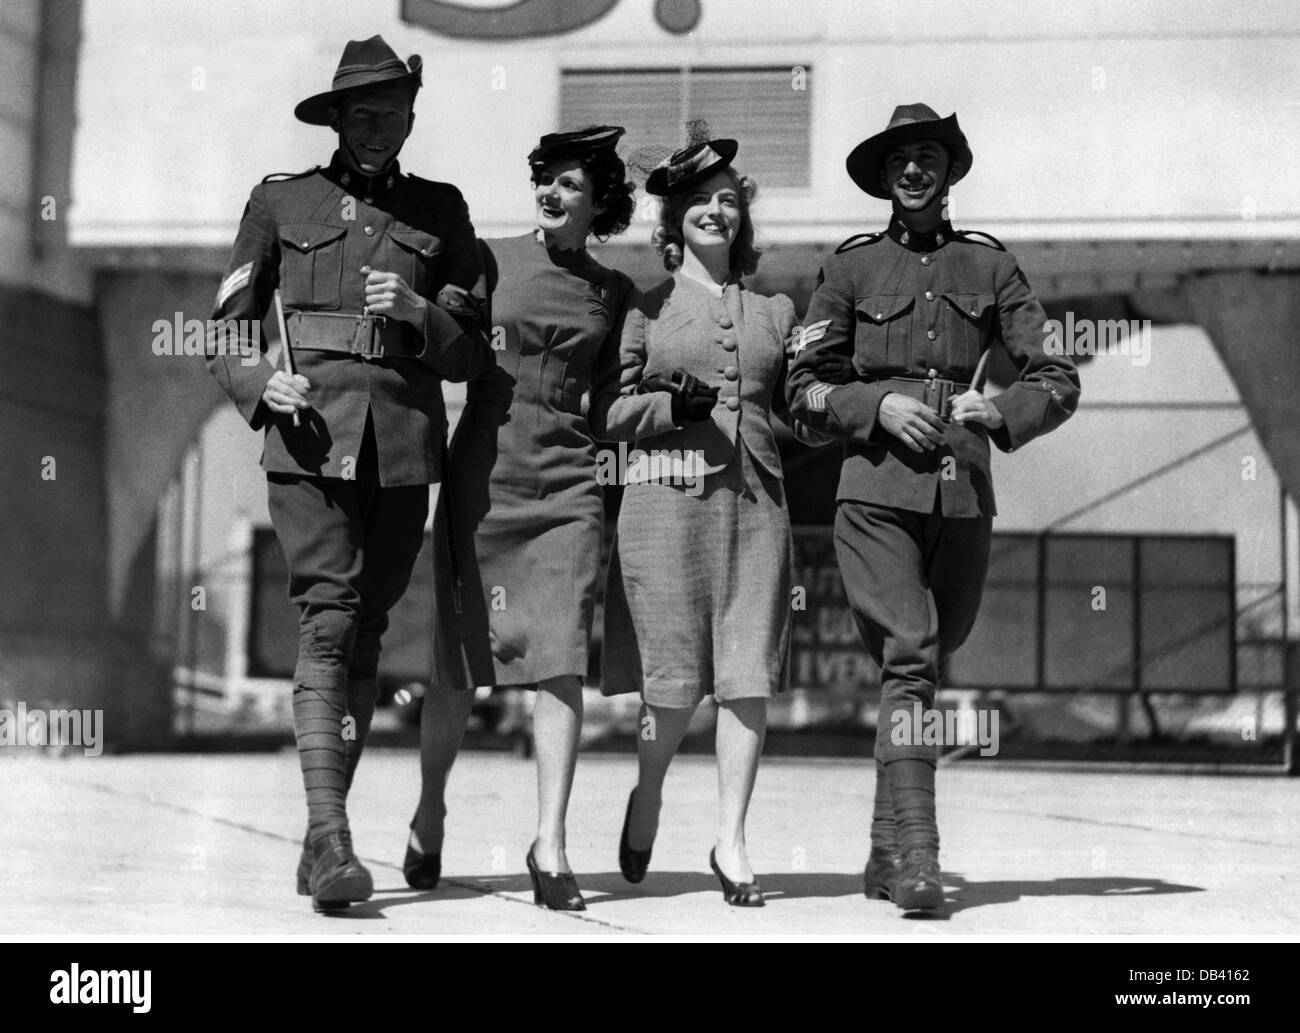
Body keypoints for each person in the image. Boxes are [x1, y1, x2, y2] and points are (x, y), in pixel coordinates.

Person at [205, 35, 490, 912]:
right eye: (362, 114)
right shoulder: (280, 200)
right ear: (336, 119)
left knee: (366, 635)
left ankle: (319, 836)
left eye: (393, 114)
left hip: (402, 451)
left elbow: (468, 353)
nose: (378, 129)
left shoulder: (443, 213)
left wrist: (418, 312)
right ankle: (332, 839)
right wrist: (261, 381)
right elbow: (224, 328)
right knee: (327, 621)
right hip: (307, 438)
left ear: (411, 118)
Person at [786, 104, 1080, 912]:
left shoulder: (990, 267)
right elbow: (802, 390)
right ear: (883, 179)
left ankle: (882, 852)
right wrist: (874, 404)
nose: (913, 171)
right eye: (899, 161)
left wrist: (1005, 411)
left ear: (948, 172)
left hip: (963, 495)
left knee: (924, 664)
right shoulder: (848, 269)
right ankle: (920, 858)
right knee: (911, 653)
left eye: (927, 157)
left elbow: (1057, 376)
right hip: (875, 492)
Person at [591, 133, 824, 907]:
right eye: (700, 201)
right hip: (664, 508)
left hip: (757, 509)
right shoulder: (642, 306)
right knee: (673, 685)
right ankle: (649, 792)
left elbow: (805, 404)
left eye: (729, 200)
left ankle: (732, 839)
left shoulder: (776, 309)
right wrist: (666, 406)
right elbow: (611, 412)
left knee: (747, 676)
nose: (717, 211)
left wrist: (838, 391)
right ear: (673, 219)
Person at [409, 126, 637, 911]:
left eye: (571, 183)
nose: (551, 192)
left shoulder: (616, 292)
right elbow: (450, 345)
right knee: (455, 668)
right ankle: (431, 805)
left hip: (570, 485)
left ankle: (551, 841)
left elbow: (611, 402)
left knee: (561, 655)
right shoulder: (487, 258)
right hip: (485, 479)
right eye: (545, 178)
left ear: (599, 200)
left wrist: (667, 409)